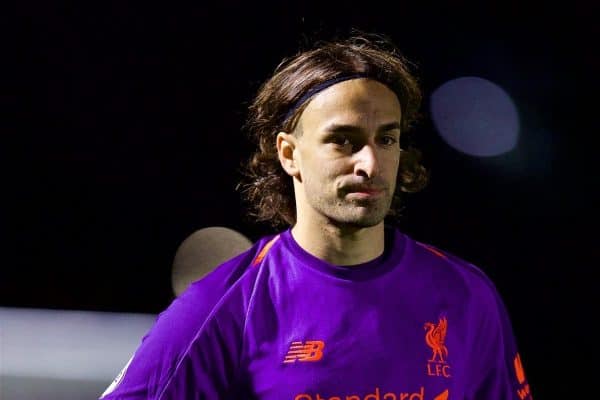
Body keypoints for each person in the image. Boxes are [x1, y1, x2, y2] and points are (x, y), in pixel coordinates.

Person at [99, 32, 533, 400]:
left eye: (387, 139)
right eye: (343, 140)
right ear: (289, 154)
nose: (370, 163)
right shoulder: (223, 306)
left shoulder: (465, 294)